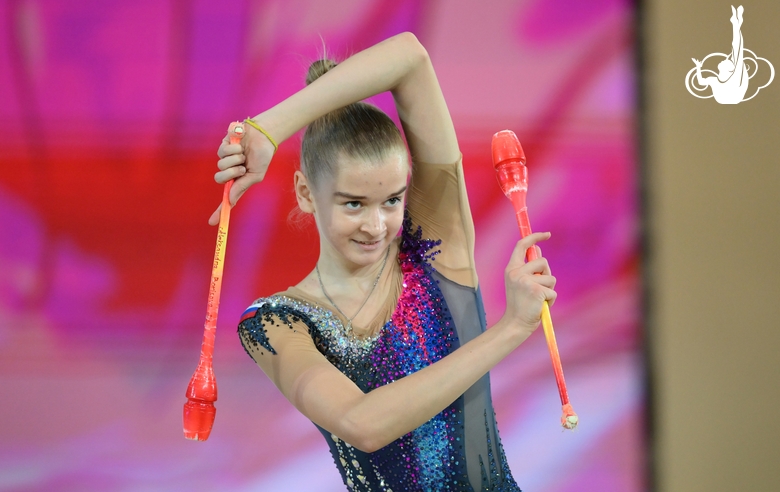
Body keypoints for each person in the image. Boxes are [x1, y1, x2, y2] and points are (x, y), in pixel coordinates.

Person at [212, 32, 556, 492]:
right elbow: (364, 424)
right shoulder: (275, 324)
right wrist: (512, 328)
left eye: (391, 200)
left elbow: (410, 58)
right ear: (304, 193)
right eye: (354, 204)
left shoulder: (437, 249)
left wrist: (269, 127)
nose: (376, 226)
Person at [692, 5, 748, 104]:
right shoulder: (715, 80)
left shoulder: (733, 77)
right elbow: (701, 82)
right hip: (729, 97)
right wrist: (698, 67)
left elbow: (737, 49)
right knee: (737, 51)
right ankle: (736, 23)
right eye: (728, 60)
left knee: (737, 50)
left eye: (727, 61)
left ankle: (736, 23)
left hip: (732, 96)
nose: (724, 59)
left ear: (729, 69)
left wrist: (698, 68)